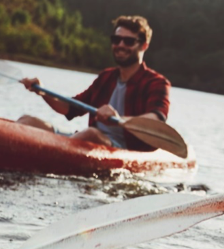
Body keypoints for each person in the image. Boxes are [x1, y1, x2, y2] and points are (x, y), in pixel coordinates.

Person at [18, 15, 170, 151]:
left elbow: (156, 119)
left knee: (91, 134)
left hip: (123, 148)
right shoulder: (107, 77)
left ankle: (46, 156)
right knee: (27, 120)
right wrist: (42, 91)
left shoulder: (156, 83)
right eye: (116, 40)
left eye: (129, 41)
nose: (121, 45)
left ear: (144, 45)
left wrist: (118, 120)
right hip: (87, 139)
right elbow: (70, 108)